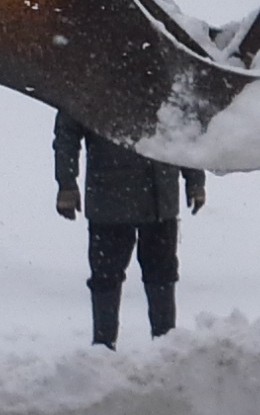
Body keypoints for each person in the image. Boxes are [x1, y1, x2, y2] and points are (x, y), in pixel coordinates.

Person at [54, 112, 206, 344]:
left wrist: (195, 179)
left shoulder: (165, 77)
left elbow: (183, 128)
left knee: (161, 274)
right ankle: (102, 351)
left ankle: (166, 349)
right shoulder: (92, 79)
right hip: (111, 200)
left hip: (158, 199)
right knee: (106, 276)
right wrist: (66, 183)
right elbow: (68, 131)